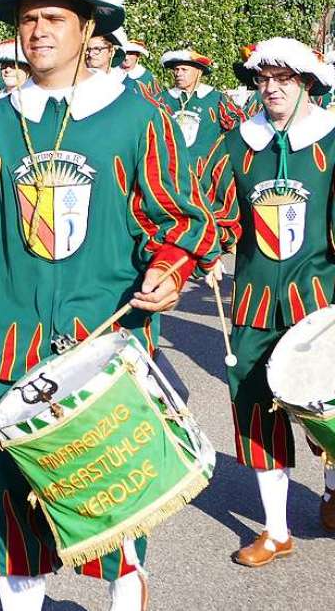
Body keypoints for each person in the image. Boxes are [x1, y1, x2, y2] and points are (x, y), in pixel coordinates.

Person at [0, 0, 218, 610]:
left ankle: (127, 594)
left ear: (86, 25)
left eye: (53, 18)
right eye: (27, 19)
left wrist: (169, 271)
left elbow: (181, 218)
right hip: (14, 342)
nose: (37, 31)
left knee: (113, 497)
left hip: (106, 340)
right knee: (9, 502)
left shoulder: (134, 117)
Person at [202, 37, 335, 564]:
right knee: (256, 411)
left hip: (319, 302)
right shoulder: (240, 143)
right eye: (263, 80)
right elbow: (214, 206)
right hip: (255, 303)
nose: (271, 89)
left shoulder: (332, 141)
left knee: (327, 409)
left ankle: (330, 488)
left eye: (282, 80)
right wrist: (211, 246)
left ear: (306, 85)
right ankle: (276, 530)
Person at [160, 49, 227, 175]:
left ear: (199, 72)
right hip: (169, 173)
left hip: (206, 174)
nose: (178, 73)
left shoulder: (218, 99)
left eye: (184, 70)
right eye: (176, 69)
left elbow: (237, 129)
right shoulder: (161, 99)